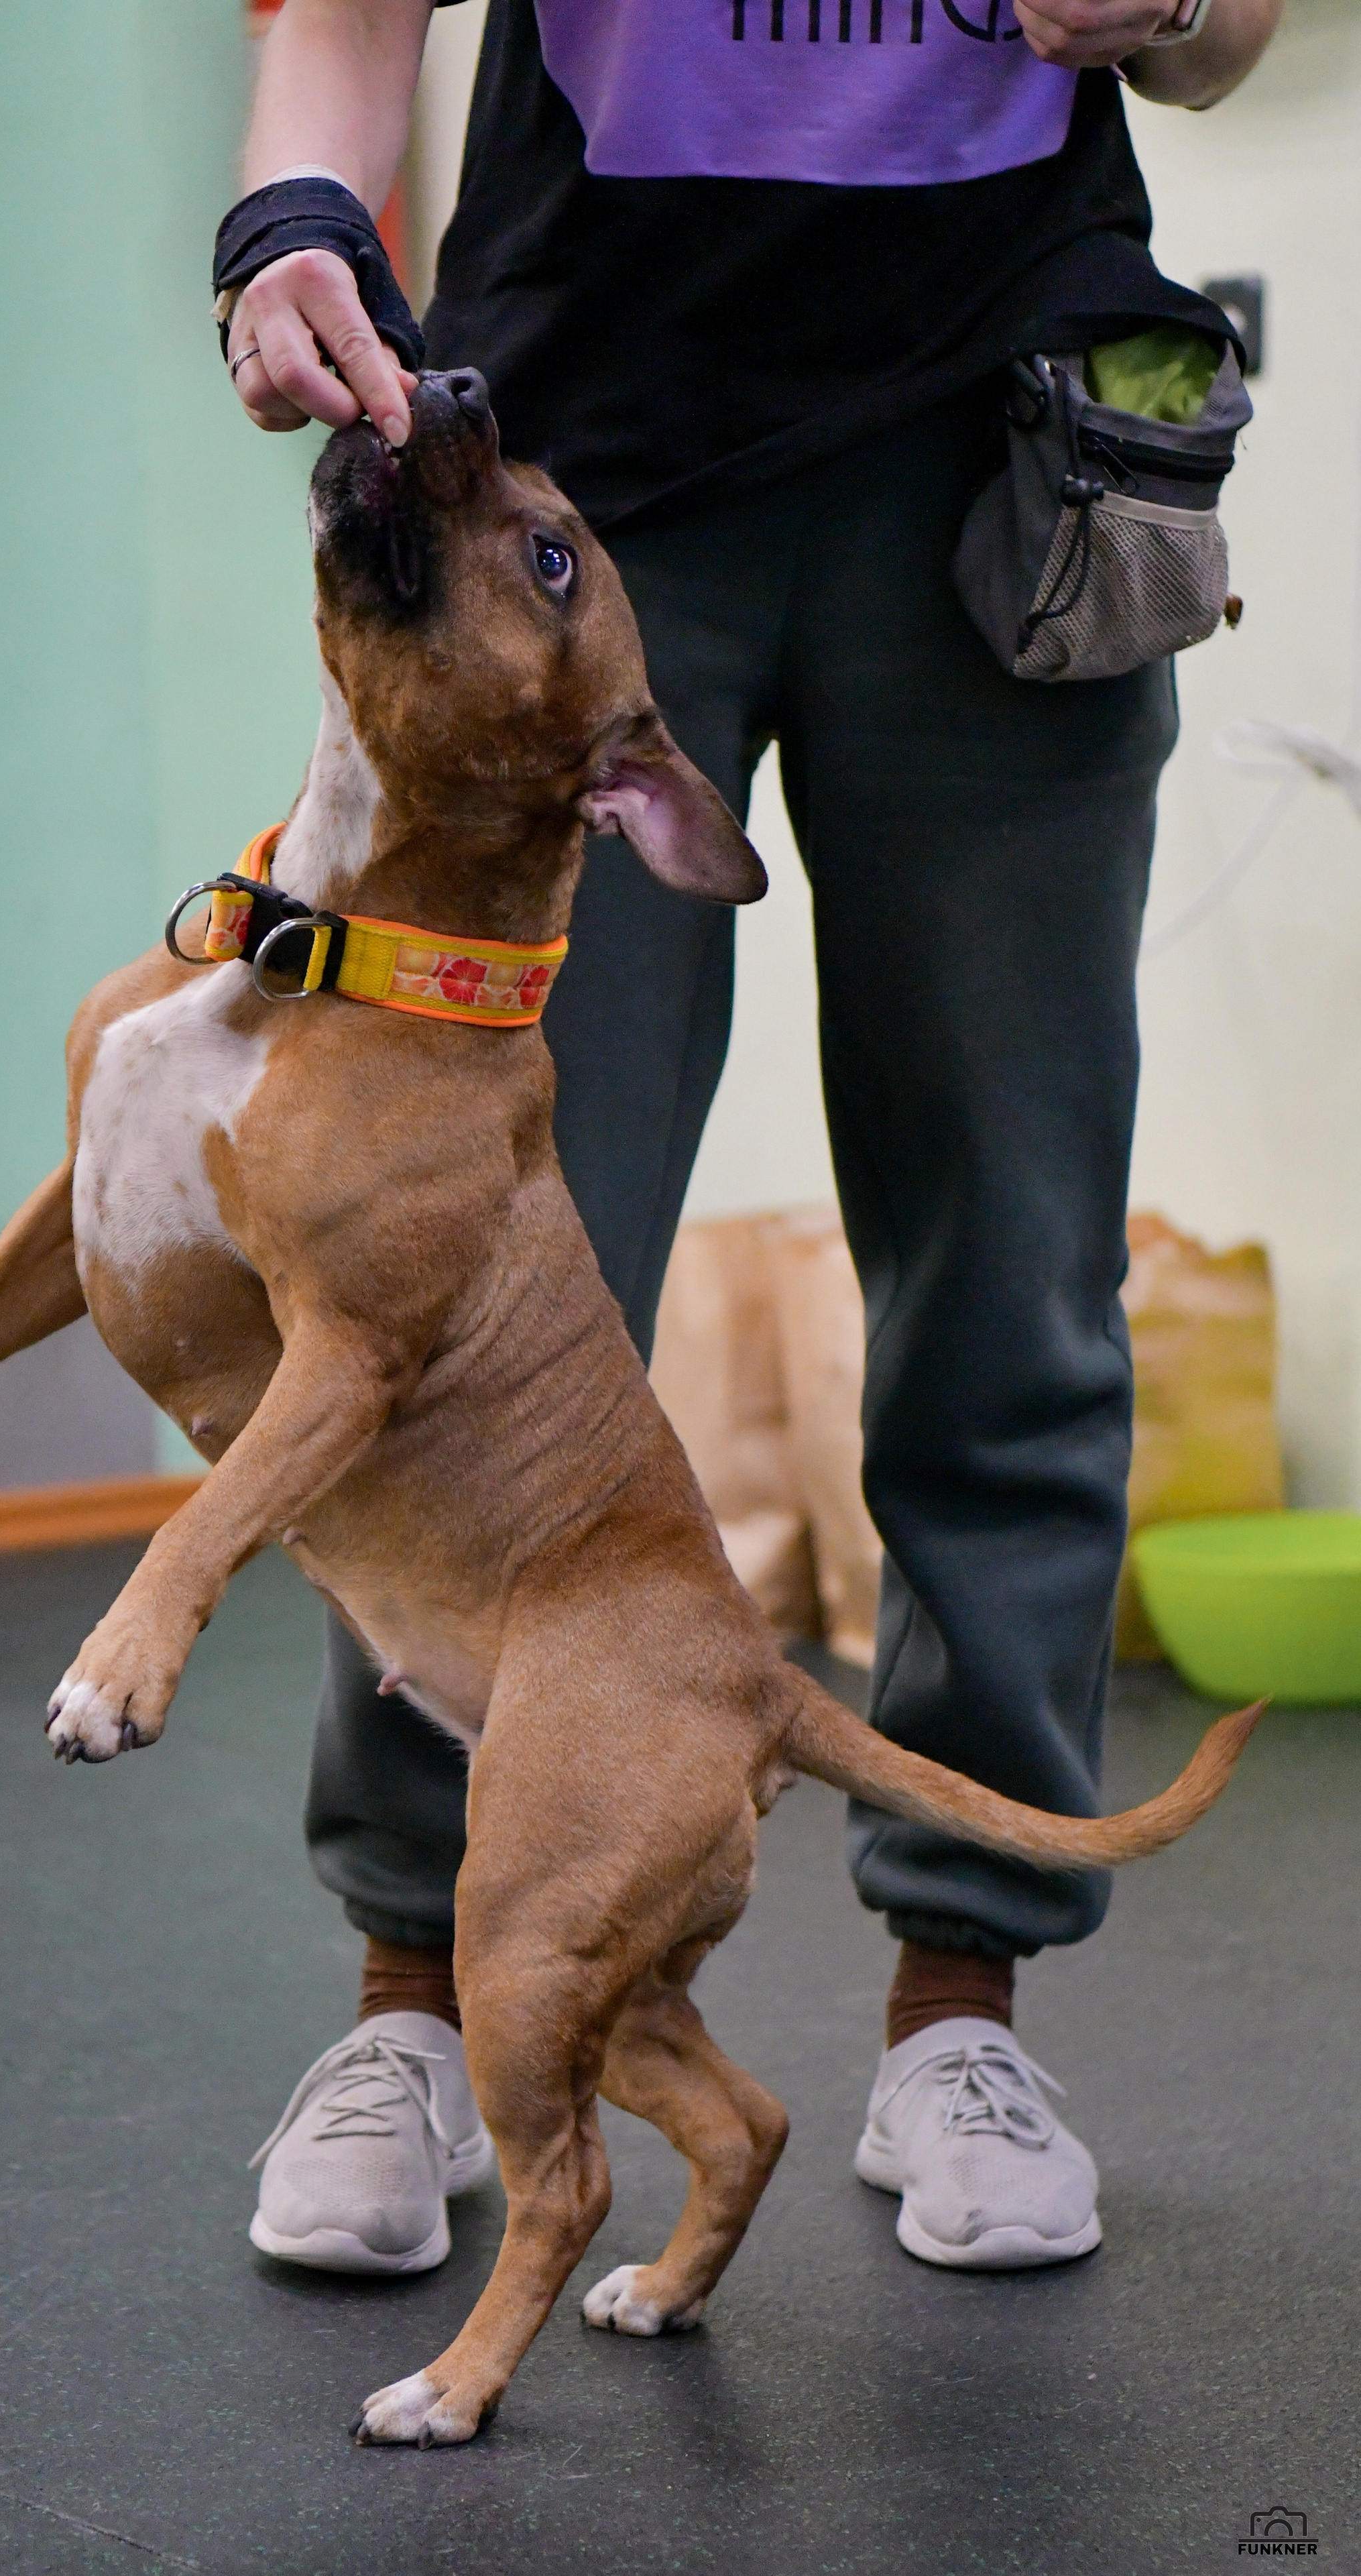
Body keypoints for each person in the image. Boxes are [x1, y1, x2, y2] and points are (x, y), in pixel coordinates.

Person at [217, 0, 1281, 2281]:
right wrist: (292, 214)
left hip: (1013, 472)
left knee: (1011, 1255)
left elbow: (1226, 39)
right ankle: (412, 1996)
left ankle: (962, 2010)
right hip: (577, 504)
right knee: (456, 1286)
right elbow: (337, 22)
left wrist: (1171, 9)